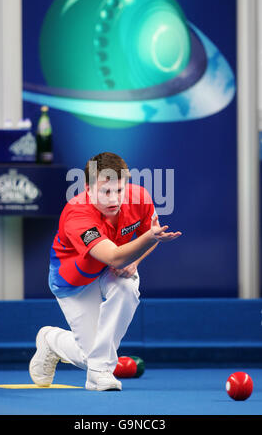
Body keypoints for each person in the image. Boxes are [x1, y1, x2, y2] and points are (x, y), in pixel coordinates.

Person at [29, 152, 182, 391]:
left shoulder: (139, 197)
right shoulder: (76, 214)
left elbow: (149, 236)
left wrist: (137, 261)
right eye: (105, 191)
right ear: (88, 189)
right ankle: (51, 340)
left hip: (111, 268)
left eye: (119, 190)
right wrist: (147, 241)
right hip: (73, 279)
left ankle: (99, 373)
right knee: (87, 357)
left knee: (127, 287)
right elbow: (114, 255)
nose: (114, 199)